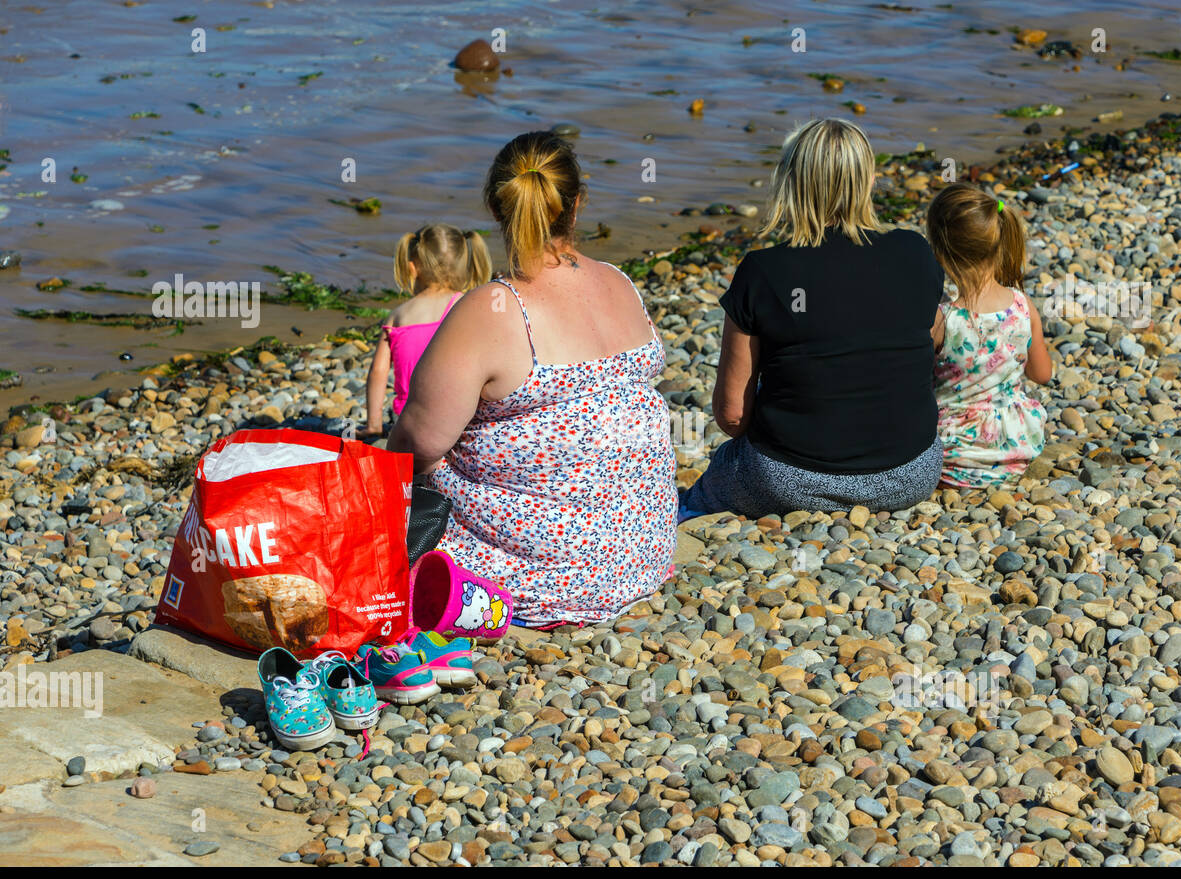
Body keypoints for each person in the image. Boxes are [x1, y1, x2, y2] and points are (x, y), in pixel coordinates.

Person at [387, 131, 676, 626]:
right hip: (641, 553)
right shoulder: (619, 282)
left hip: (548, 572)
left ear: (496, 208)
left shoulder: (491, 310)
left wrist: (384, 488)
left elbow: (419, 442)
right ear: (577, 204)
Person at [679, 117, 946, 520]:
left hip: (792, 478)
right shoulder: (914, 252)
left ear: (791, 182)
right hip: (910, 474)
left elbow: (733, 417)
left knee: (698, 497)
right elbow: (932, 338)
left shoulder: (763, 271)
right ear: (868, 181)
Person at [926, 184, 1051, 487]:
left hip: (953, 455)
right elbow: (1042, 374)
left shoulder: (942, 318)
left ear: (940, 251)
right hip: (1015, 447)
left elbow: (913, 382)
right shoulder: (1022, 305)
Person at [363, 224, 492, 436]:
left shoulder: (397, 316)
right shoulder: (465, 306)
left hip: (407, 420)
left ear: (412, 267)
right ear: (465, 263)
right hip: (459, 418)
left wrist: (374, 425)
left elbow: (378, 373)